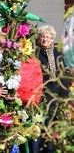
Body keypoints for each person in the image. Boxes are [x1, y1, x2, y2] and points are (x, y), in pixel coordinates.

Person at [27, 25, 69, 153]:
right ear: (39, 39)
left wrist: (64, 97)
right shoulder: (34, 54)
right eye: (42, 37)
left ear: (52, 39)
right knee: (36, 127)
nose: (45, 39)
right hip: (37, 97)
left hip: (53, 97)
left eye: (47, 37)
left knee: (49, 127)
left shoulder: (58, 55)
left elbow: (63, 77)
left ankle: (48, 149)